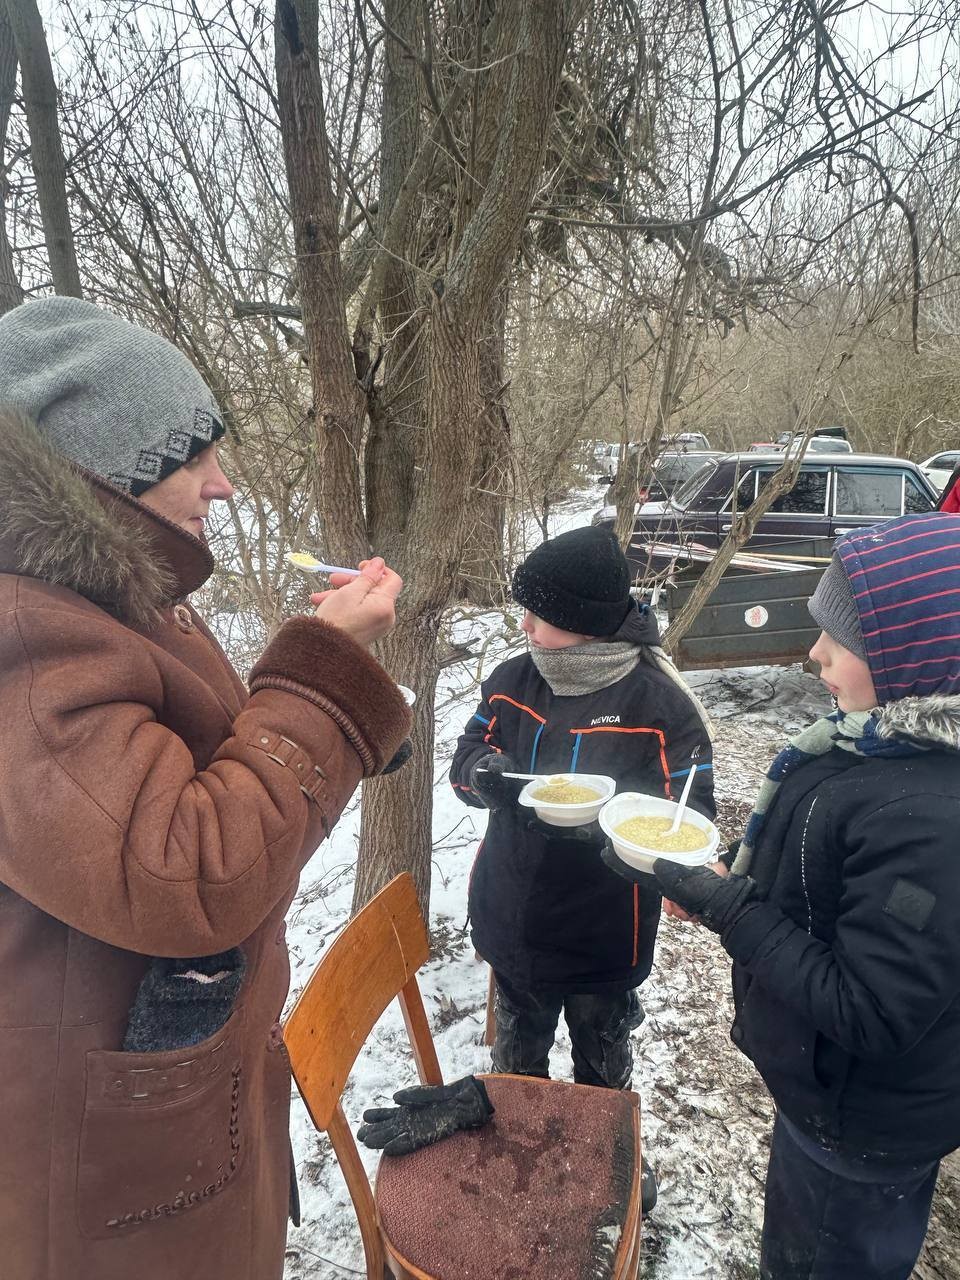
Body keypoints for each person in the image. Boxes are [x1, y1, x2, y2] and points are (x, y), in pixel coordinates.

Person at [0, 296, 412, 1280]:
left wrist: (337, 692)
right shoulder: (26, 640)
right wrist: (324, 671)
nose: (222, 485)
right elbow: (184, 867)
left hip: (168, 1106)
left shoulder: (107, 597)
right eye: (194, 455)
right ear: (104, 470)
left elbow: (209, 768)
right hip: (104, 1175)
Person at [611, 511, 960, 1279]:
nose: (815, 654)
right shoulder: (880, 743)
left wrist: (732, 909)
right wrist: (735, 871)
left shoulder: (931, 818)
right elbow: (834, 875)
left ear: (917, 658)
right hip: (830, 1106)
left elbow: (872, 1010)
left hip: (863, 1126)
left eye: (842, 641)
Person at [449, 525, 714, 1209]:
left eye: (541, 614)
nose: (526, 625)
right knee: (518, 1065)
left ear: (587, 623)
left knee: (602, 1063)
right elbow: (464, 759)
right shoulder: (511, 680)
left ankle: (611, 1164)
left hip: (605, 933)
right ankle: (518, 1165)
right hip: (514, 919)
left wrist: (621, 832)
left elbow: (690, 812)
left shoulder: (661, 705)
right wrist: (488, 776)